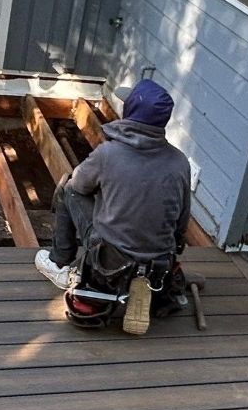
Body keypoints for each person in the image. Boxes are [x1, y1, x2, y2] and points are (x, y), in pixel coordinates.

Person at [50, 78, 192, 335]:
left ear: (132, 114)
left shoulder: (109, 154)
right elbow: (181, 223)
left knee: (66, 188)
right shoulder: (180, 162)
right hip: (159, 261)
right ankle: (143, 281)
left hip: (110, 260)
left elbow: (79, 186)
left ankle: (59, 262)